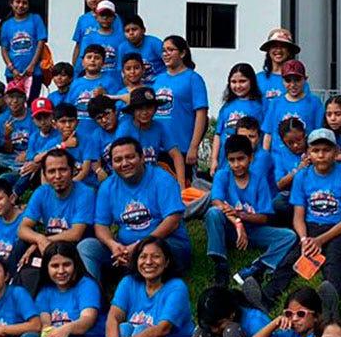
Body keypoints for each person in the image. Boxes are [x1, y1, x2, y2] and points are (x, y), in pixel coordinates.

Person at [277, 128, 341, 315]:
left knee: (334, 261)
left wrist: (320, 241)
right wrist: (304, 240)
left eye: (326, 150)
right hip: (310, 228)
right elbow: (298, 216)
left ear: (336, 152)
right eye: (316, 151)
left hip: (338, 228)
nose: (321, 155)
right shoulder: (302, 176)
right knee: (290, 259)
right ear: (308, 153)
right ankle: (266, 298)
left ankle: (329, 309)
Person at [86, 139, 189, 284]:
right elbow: (100, 225)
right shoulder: (107, 186)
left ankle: (136, 279)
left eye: (130, 157)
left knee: (153, 253)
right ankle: (93, 298)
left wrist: (140, 246)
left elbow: (173, 220)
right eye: (118, 160)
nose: (124, 163)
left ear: (142, 158)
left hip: (165, 244)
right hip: (125, 249)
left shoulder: (162, 179)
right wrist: (113, 245)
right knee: (87, 247)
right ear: (112, 164)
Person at [205, 134, 297, 289]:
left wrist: (240, 215)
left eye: (241, 159)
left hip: (253, 230)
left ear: (251, 158)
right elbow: (217, 201)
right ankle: (220, 263)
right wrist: (237, 223)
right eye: (232, 160)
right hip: (228, 229)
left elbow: (263, 218)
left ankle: (257, 267)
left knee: (289, 236)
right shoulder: (222, 175)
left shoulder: (259, 180)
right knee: (213, 213)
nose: (236, 164)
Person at [153, 35, 209, 176]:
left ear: (183, 53)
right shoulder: (157, 80)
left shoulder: (193, 78)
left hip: (182, 147)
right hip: (157, 148)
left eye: (170, 50)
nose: (166, 54)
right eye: (164, 50)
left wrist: (194, 146)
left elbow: (201, 114)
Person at [261, 60, 322, 149]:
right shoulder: (275, 103)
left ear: (305, 79)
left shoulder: (314, 102)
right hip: (278, 159)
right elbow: (268, 134)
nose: (293, 85)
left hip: (304, 157)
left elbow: (319, 133)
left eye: (297, 80)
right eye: (288, 80)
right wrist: (265, 157)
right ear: (282, 81)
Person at [0, 0, 48, 92]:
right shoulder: (6, 25)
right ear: (11, 3)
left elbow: (40, 43)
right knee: (15, 104)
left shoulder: (36, 19)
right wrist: (12, 69)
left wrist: (32, 66)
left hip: (34, 72)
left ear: (28, 5)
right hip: (13, 74)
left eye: (24, 3)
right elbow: (4, 49)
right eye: (18, 2)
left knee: (31, 105)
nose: (21, 5)